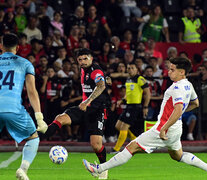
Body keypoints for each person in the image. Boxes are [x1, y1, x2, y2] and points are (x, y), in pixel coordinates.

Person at [83, 57, 207, 177]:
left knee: (132, 147)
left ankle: (99, 169)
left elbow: (179, 109)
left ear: (182, 72)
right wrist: (175, 117)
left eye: (172, 70)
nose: (169, 72)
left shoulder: (176, 88)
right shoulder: (188, 85)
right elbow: (195, 103)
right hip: (176, 128)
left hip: (165, 128)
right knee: (178, 156)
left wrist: (164, 128)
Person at [40, 48, 109, 179]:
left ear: (91, 59)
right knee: (60, 118)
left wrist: (87, 101)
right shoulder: (84, 70)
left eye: (85, 59)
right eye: (80, 60)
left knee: (96, 145)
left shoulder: (96, 71)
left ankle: (103, 170)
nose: (82, 62)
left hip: (97, 109)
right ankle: (42, 133)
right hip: (83, 108)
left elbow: (101, 86)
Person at [0, 33, 48, 180]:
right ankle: (23, 169)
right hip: (13, 109)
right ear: (18, 47)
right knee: (33, 138)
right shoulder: (25, 63)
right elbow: (32, 92)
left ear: (1, 46)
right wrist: (39, 117)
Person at [111, 63, 150, 153]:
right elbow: (129, 93)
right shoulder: (128, 79)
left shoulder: (140, 79)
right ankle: (136, 141)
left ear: (137, 70)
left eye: (132, 68)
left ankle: (116, 149)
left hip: (135, 106)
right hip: (128, 105)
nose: (130, 70)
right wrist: (122, 100)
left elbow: (147, 93)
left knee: (124, 127)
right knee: (118, 126)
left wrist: (145, 106)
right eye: (128, 68)